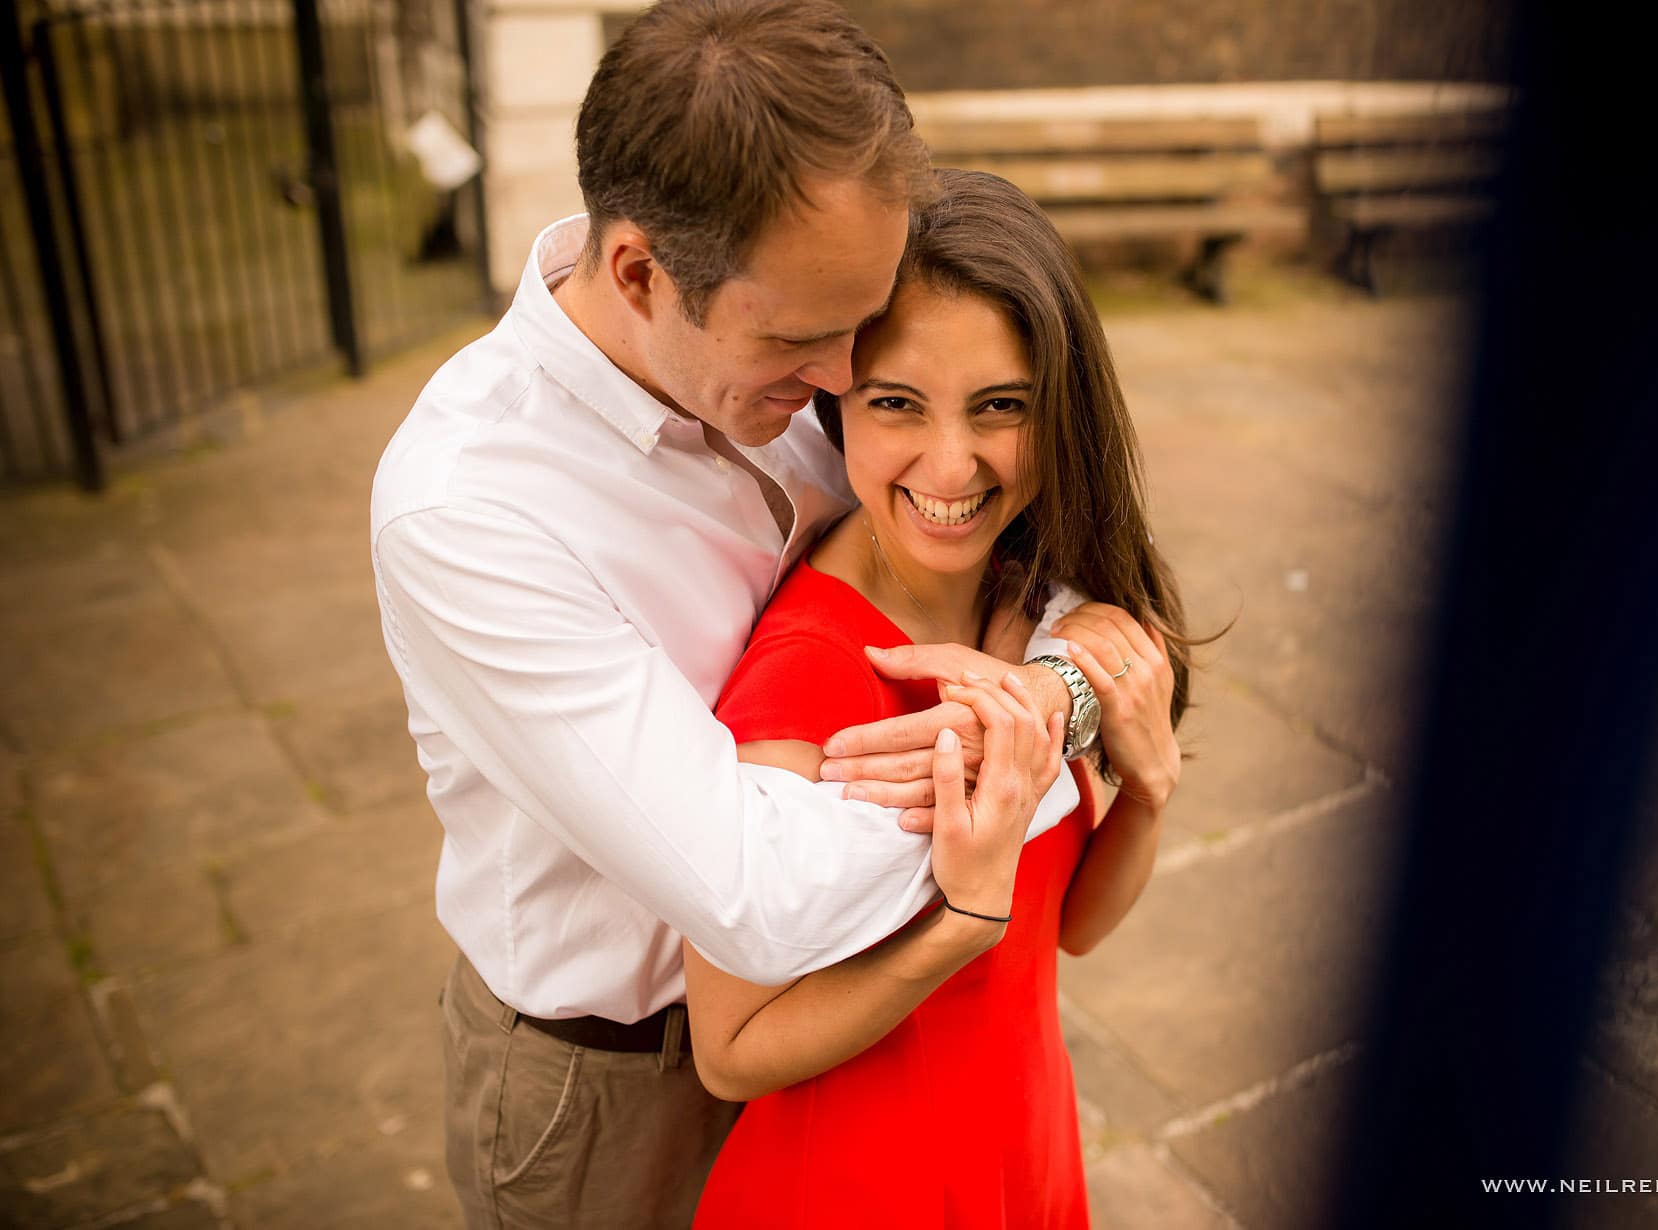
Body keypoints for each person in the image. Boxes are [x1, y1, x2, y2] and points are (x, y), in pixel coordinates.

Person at [369, 3, 1100, 1225]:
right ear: (641, 272)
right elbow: (755, 892)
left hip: (850, 1038)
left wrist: (1065, 671)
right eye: (807, 341)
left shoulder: (784, 325)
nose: (838, 386)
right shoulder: (469, 512)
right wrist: (1035, 730)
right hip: (613, 1087)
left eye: (855, 332)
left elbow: (1005, 553)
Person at [685, 168, 1197, 1227]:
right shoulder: (801, 681)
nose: (951, 464)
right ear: (837, 403)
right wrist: (955, 923)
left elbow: (1070, 930)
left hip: (1022, 1138)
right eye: (896, 404)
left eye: (999, 407)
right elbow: (728, 1053)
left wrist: (1146, 789)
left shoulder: (1028, 601)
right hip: (863, 1187)